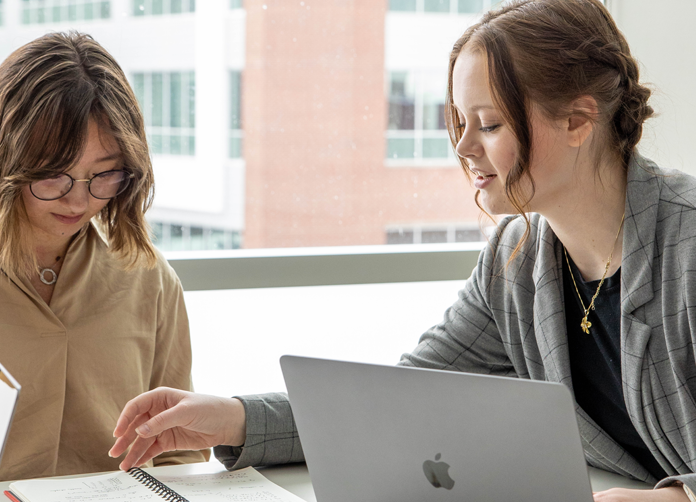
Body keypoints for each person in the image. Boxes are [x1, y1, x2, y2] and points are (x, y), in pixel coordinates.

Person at [109, 0, 696, 500]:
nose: (463, 147)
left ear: (577, 120)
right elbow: (398, 402)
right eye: (460, 121)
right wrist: (231, 417)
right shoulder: (516, 260)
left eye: (488, 124)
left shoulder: (686, 245)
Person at [0, 32, 206, 499]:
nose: (79, 198)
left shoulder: (148, 277)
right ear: (0, 158)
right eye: (54, 174)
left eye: (104, 173)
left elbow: (181, 457)